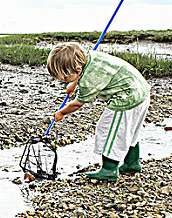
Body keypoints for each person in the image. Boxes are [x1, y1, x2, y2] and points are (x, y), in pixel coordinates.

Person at [46, 42, 150, 181]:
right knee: (129, 130)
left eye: (65, 78)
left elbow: (77, 104)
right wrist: (72, 83)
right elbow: (82, 73)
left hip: (126, 98)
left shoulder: (88, 80)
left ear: (77, 70)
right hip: (141, 91)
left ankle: (109, 170)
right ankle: (132, 164)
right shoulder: (89, 57)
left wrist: (62, 113)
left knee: (109, 130)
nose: (63, 81)